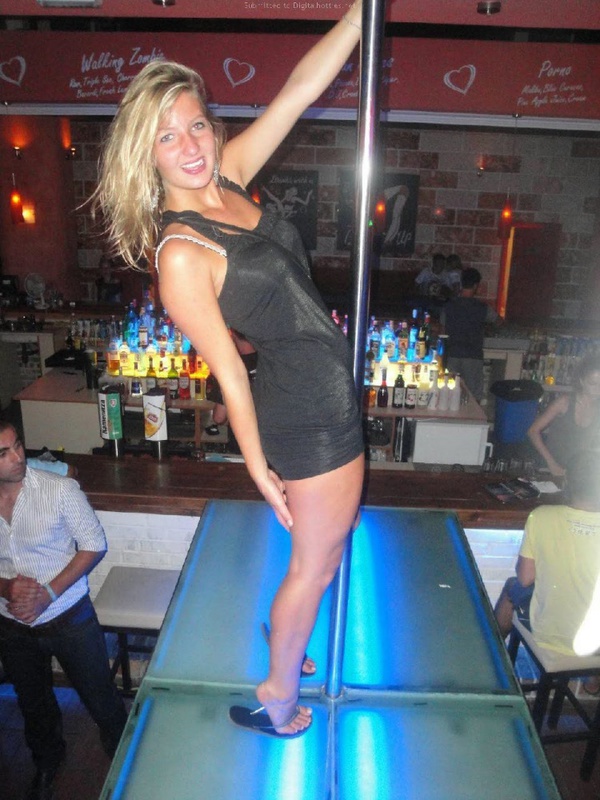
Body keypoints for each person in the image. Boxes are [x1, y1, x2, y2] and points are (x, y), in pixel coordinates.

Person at [93, 2, 365, 739]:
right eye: (167, 137)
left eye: (196, 125)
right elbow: (230, 374)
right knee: (316, 564)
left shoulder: (231, 176)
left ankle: (287, 638)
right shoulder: (182, 254)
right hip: (308, 413)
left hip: (324, 390)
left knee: (323, 551)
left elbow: (298, 92)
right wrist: (257, 469)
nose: (189, 146)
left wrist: (356, 19)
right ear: (145, 155)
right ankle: (277, 690)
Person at [0, 423, 128, 799]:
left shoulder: (59, 489)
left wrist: (48, 594)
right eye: (4, 453)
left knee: (101, 698)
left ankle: (126, 761)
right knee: (33, 705)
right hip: (11, 623)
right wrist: (6, 588)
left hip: (69, 617)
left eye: (18, 445)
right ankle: (47, 763)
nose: (18, 457)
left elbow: (94, 544)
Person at [494, 450, 600, 666]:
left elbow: (525, 579)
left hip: (548, 633)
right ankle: (591, 678)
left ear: (568, 482)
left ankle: (492, 655)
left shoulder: (542, 516)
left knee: (513, 586)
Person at [527, 353, 600, 477]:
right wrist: (552, 464)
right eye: (593, 383)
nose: (598, 389)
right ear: (582, 381)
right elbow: (533, 431)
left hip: (578, 472)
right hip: (549, 468)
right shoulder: (564, 402)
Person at [440, 267, 498, 402]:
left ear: (461, 283)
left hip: (452, 355)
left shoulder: (449, 306)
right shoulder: (482, 308)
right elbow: (499, 321)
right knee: (473, 397)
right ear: (476, 286)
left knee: (447, 395)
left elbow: (442, 331)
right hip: (473, 356)